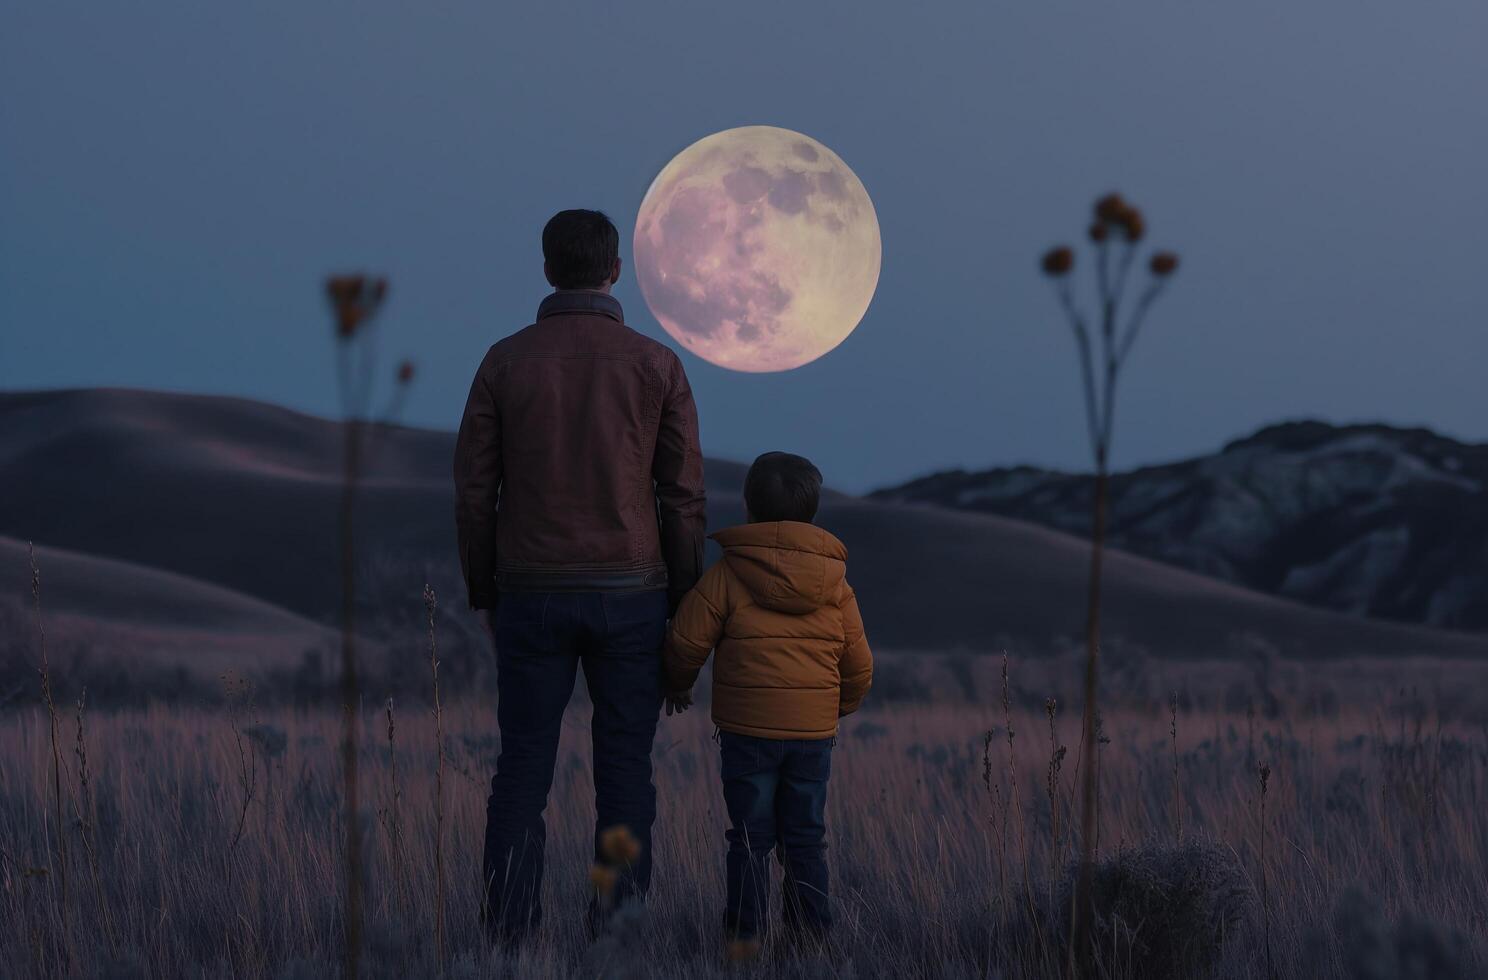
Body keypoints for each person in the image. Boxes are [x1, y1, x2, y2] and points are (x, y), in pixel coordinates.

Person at [453, 209, 707, 943]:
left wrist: (484, 590)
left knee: (521, 771)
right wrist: (684, 604)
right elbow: (684, 497)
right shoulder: (658, 364)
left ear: (545, 269)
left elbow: (475, 491)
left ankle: (508, 939)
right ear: (616, 270)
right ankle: (616, 937)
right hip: (633, 597)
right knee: (625, 773)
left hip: (529, 593)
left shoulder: (504, 362)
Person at [661, 451, 873, 950]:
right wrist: (834, 707)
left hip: (747, 735)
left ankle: (744, 943)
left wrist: (677, 683)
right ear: (813, 511)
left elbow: (685, 642)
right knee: (805, 840)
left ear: (749, 508)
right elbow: (860, 666)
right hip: (812, 738)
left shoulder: (728, 575)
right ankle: (810, 944)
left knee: (750, 842)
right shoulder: (835, 585)